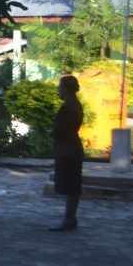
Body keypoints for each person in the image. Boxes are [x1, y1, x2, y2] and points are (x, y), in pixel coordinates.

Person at [50, 75, 84, 231]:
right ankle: (70, 217)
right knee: (72, 185)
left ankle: (68, 219)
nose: (58, 90)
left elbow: (60, 129)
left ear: (65, 89)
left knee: (71, 186)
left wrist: (52, 132)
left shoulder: (68, 107)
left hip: (68, 149)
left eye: (59, 87)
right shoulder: (75, 104)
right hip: (72, 147)